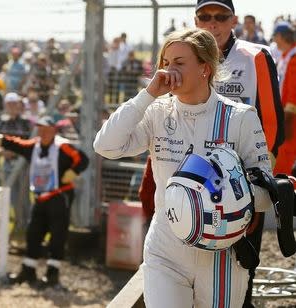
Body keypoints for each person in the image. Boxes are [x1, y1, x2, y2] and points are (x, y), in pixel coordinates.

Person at [94, 28, 272, 307]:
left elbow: (265, 195)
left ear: (205, 67)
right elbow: (105, 146)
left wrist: (231, 194)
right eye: (165, 63)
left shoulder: (241, 118)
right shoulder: (156, 112)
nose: (168, 71)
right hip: (165, 250)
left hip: (222, 255)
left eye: (179, 62)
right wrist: (147, 95)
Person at [138, 2, 285, 306]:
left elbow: (271, 122)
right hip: (182, 178)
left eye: (220, 17)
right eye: (205, 17)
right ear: (196, 20)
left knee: (237, 277)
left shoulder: (255, 55)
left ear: (233, 20)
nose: (213, 23)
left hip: (235, 189)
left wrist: (251, 189)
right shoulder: (180, 54)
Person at [0, 115, 89, 287]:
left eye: (46, 129)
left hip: (60, 196)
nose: (43, 133)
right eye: (40, 129)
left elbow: (83, 159)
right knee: (33, 233)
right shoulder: (34, 146)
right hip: (40, 198)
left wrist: (74, 172)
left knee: (57, 235)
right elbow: (16, 144)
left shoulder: (63, 147)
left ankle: (53, 274)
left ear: (54, 130)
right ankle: (28, 271)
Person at [273, 22, 296, 176]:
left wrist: (287, 119)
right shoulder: (285, 56)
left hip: (291, 120)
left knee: (286, 164)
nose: (274, 40)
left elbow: (293, 92)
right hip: (285, 115)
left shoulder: (293, 58)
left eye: (275, 36)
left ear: (281, 37)